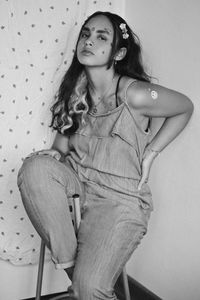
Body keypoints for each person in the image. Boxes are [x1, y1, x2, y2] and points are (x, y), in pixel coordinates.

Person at [17, 11, 193, 300]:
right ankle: (81, 275)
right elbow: (61, 148)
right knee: (33, 166)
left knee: (89, 289)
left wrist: (150, 154)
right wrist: (52, 156)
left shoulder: (135, 94)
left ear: (119, 52)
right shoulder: (73, 94)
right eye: (85, 34)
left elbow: (184, 106)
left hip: (120, 201)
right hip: (77, 190)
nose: (89, 41)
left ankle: (86, 285)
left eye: (101, 37)